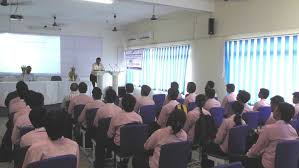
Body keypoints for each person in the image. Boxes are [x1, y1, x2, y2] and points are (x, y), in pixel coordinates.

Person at [246, 102, 298, 168]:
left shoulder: (269, 128)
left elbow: (256, 150)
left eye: (275, 110)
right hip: (287, 164)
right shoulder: (293, 130)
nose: (273, 111)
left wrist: (248, 154)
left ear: (279, 113)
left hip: (269, 164)